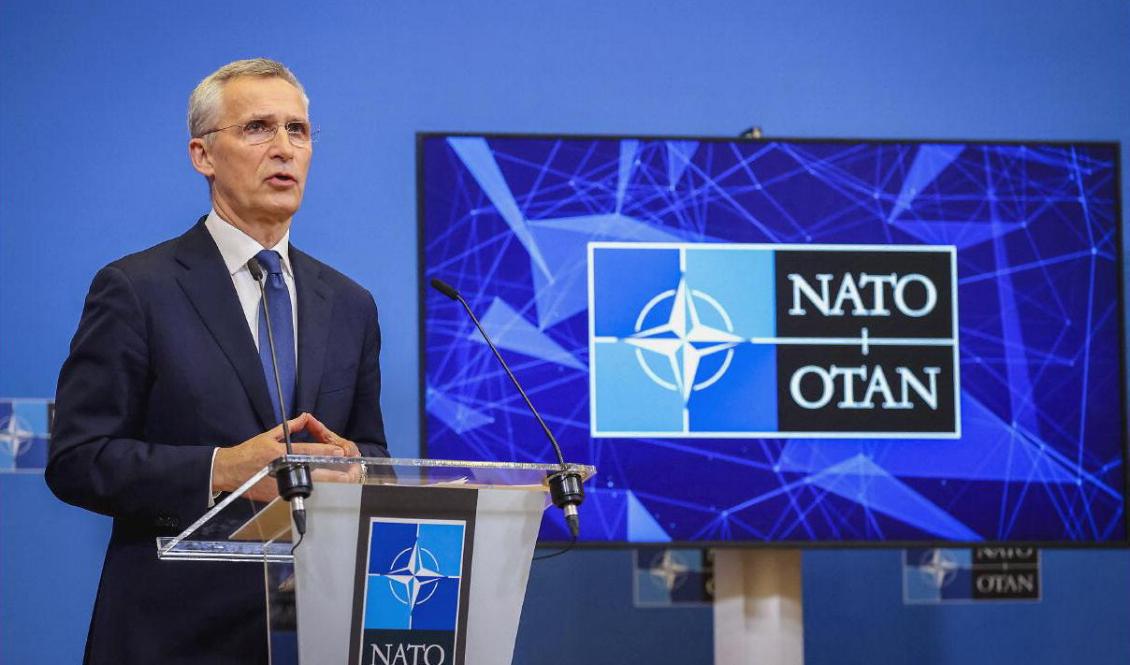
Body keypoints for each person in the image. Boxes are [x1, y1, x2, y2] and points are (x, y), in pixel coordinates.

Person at [46, 58, 389, 664]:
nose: (284, 148)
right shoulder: (136, 288)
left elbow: (373, 451)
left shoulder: (351, 305)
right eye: (258, 128)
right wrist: (222, 468)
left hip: (314, 630)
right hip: (172, 634)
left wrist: (355, 465)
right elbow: (77, 459)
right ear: (202, 155)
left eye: (298, 131)